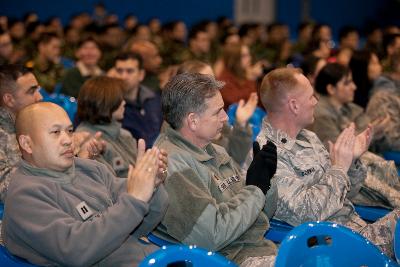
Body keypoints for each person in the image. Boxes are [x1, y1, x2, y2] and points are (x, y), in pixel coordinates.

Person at [255, 67, 400, 256]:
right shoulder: (267, 156)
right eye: (311, 97)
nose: (316, 101)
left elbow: (348, 192)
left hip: (357, 231)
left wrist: (352, 161)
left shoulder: (308, 137)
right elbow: (308, 212)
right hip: (334, 244)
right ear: (294, 105)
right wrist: (339, 167)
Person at [2, 102, 168, 266]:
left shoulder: (90, 168)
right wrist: (135, 200)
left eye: (69, 131)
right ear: (26, 144)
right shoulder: (24, 197)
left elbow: (139, 225)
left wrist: (151, 186)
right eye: (55, 132)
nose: (68, 140)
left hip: (149, 258)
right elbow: (76, 251)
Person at [154, 72, 277, 266]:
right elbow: (211, 235)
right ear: (193, 120)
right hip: (228, 260)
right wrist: (256, 189)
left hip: (257, 249)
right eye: (217, 112)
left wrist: (266, 181)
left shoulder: (215, 150)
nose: (226, 118)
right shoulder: (172, 165)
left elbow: (260, 217)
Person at [0, 64, 104, 203]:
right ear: (9, 99)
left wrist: (78, 154)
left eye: (38, 89)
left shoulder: (36, 122)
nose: (40, 97)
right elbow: (7, 190)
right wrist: (69, 157)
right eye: (31, 91)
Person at [311, 63, 400, 208]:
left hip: (364, 169)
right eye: (347, 83)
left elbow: (372, 143)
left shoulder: (353, 109)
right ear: (331, 88)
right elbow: (338, 155)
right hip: (347, 180)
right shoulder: (321, 116)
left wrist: (376, 135)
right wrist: (369, 134)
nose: (354, 87)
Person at [176, 60, 255, 166]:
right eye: (207, 83)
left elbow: (237, 156)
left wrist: (241, 124)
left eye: (214, 80)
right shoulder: (181, 126)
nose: (215, 86)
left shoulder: (214, 112)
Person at [112, 52, 163, 148]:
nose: (123, 77)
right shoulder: (109, 104)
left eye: (129, 71)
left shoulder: (155, 99)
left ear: (141, 74)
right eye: (119, 71)